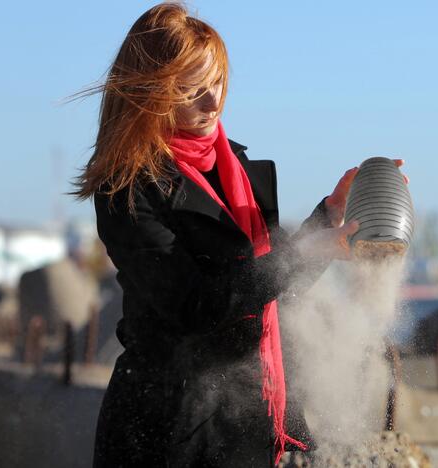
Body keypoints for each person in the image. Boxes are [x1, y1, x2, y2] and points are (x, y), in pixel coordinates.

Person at [72, 3, 403, 466]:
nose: (213, 103)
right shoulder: (126, 187)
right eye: (191, 91)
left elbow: (272, 289)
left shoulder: (239, 169)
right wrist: (302, 255)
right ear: (151, 94)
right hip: (170, 428)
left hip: (250, 418)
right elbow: (193, 305)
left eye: (217, 83)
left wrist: (329, 217)